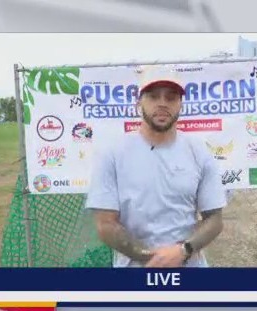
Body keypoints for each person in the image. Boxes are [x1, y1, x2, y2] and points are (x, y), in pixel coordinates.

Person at [85, 65, 228, 268]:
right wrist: (150, 257)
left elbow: (214, 219)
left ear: (181, 104)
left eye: (171, 97)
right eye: (153, 96)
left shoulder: (199, 151)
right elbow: (105, 224)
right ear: (139, 103)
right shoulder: (112, 153)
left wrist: (182, 251)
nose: (162, 104)